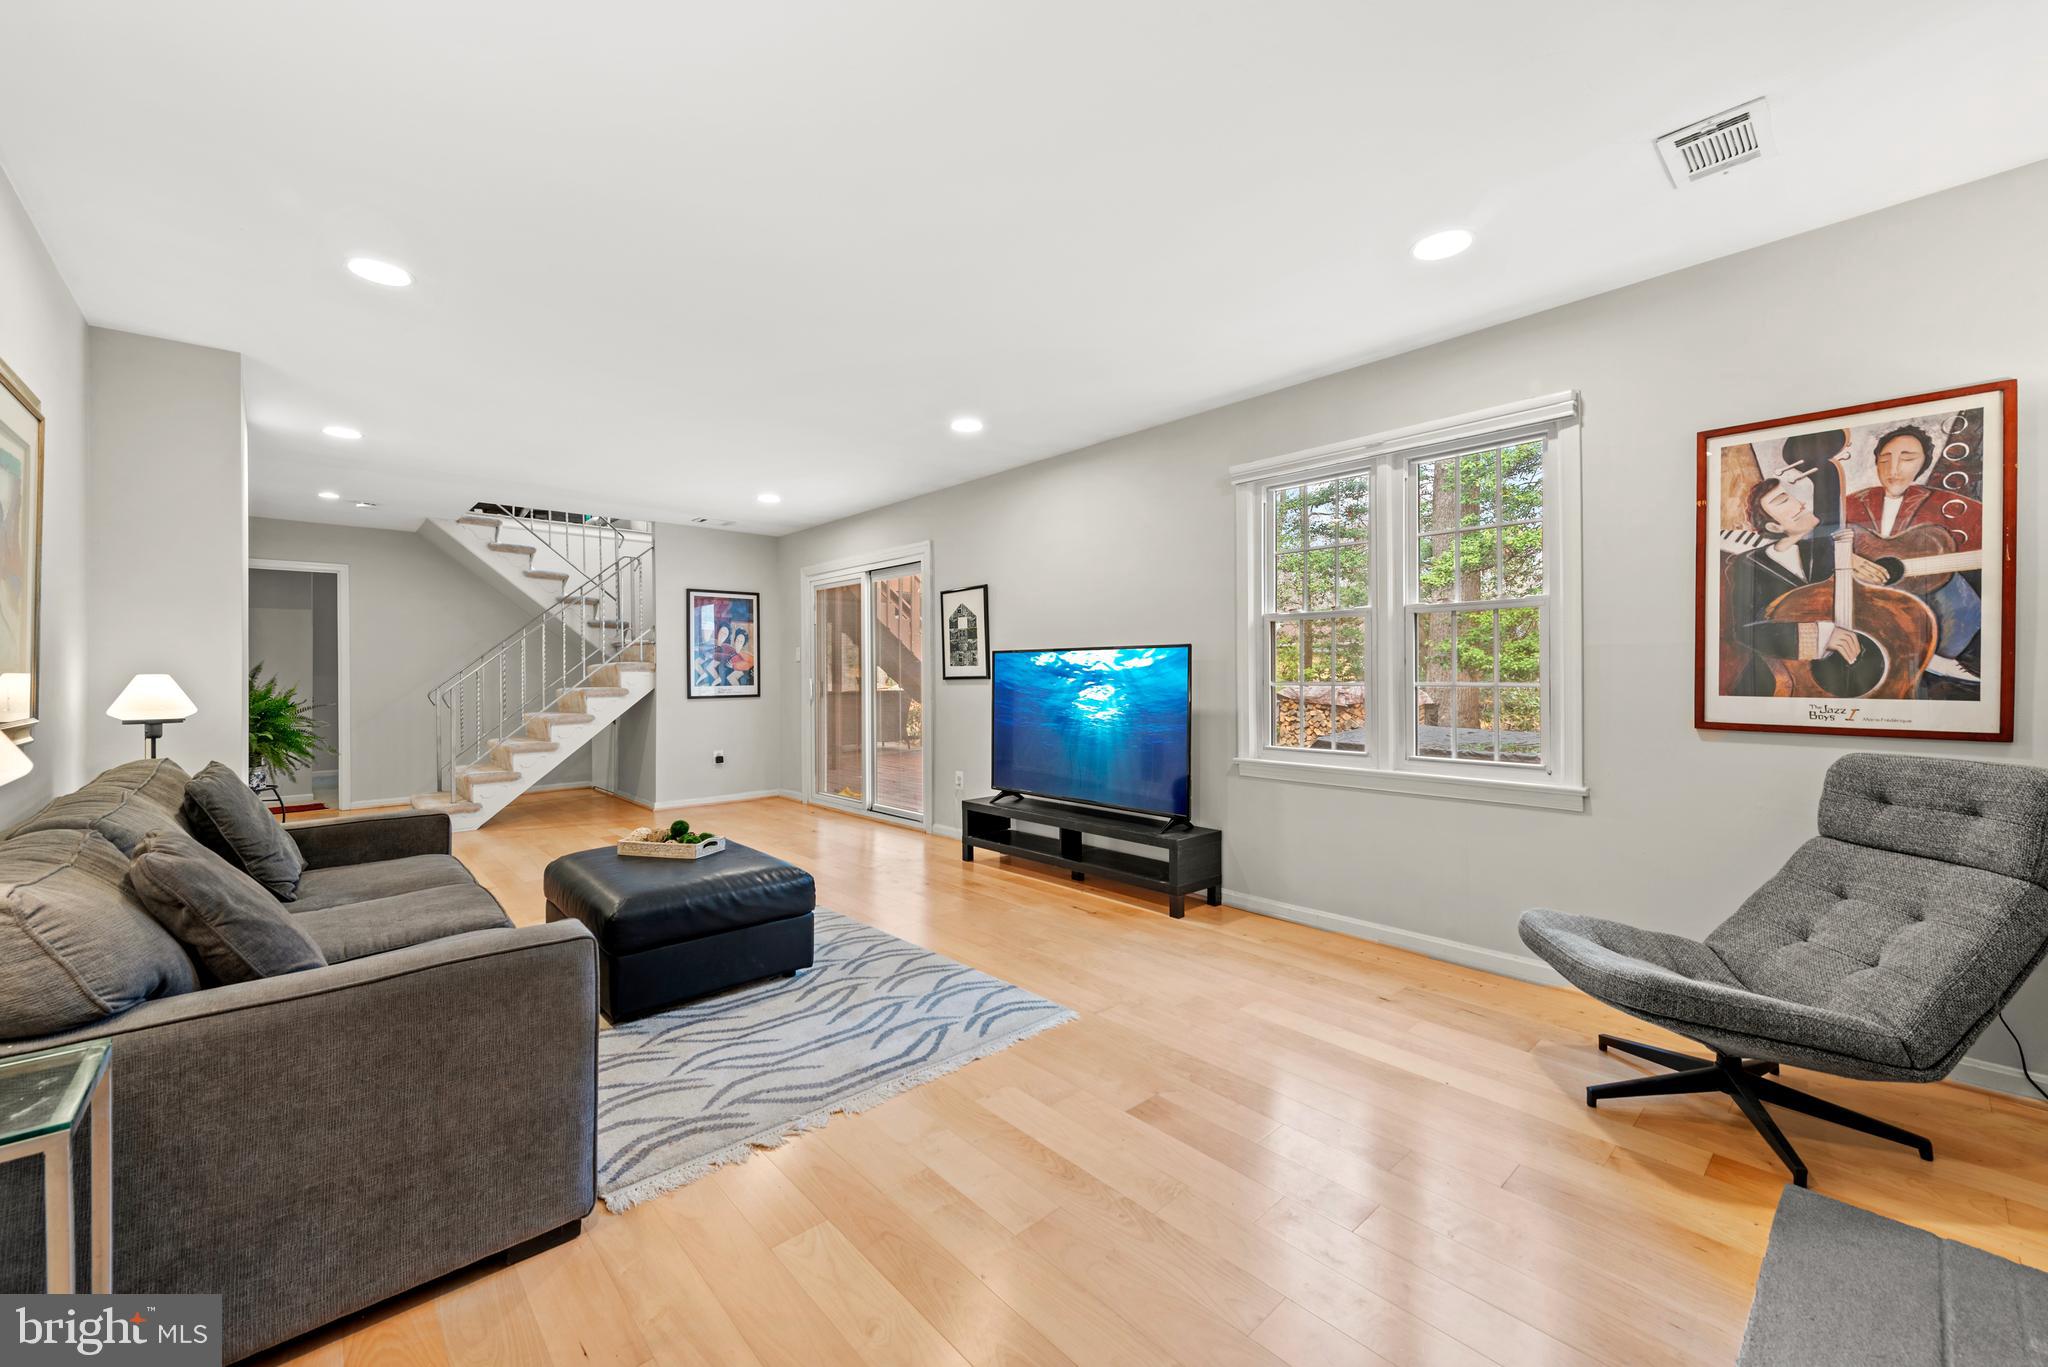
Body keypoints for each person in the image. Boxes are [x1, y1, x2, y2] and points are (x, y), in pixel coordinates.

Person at [1841, 422, 1983, 686]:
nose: (1893, 469)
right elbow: (1812, 543)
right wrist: (1846, 559)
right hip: (1863, 607)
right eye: (1885, 459)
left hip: (1935, 615)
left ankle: (1934, 659)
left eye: (1907, 459)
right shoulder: (1851, 503)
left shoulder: (1947, 505)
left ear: (1924, 464)